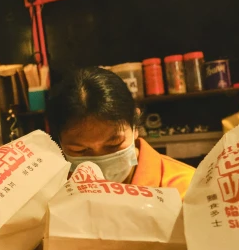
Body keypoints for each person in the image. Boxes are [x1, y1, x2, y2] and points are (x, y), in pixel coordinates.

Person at [48, 67, 195, 196]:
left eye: (114, 144)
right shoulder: (53, 191)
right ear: (59, 142)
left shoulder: (186, 189)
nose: (100, 162)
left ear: (135, 125)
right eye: (80, 150)